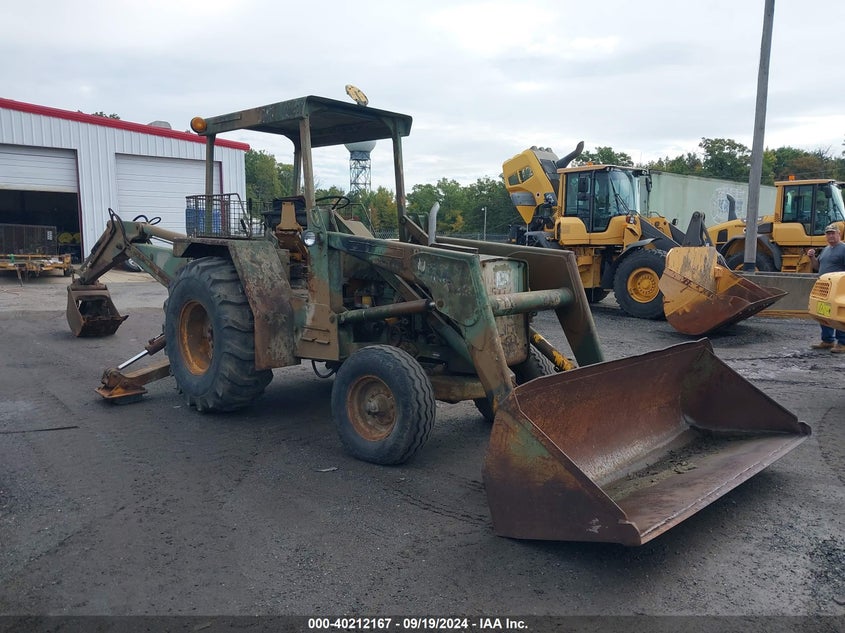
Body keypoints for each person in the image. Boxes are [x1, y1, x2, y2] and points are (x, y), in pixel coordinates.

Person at [807, 223, 845, 352]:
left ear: (839, 234)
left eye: (833, 233)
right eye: (828, 234)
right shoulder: (826, 249)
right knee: (824, 313)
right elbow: (817, 267)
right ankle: (827, 340)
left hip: (839, 289)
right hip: (825, 289)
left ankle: (842, 343)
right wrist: (812, 257)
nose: (830, 236)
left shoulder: (843, 249)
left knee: (839, 316)